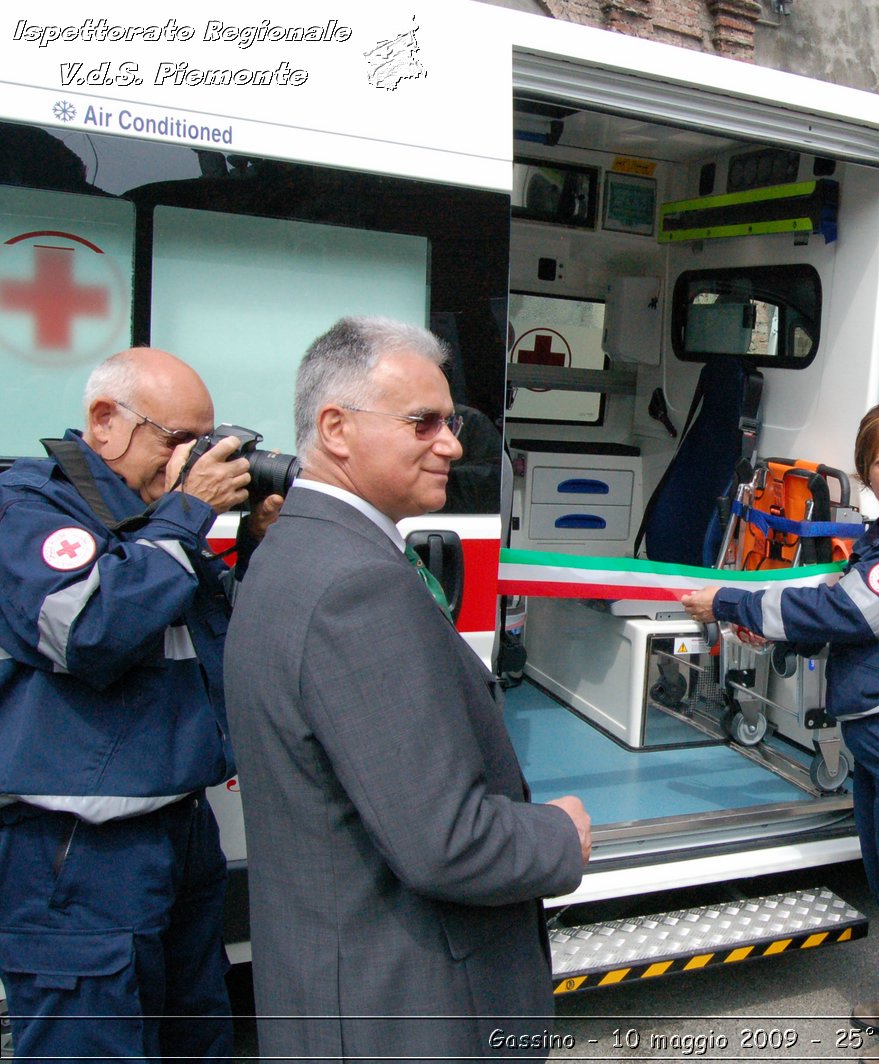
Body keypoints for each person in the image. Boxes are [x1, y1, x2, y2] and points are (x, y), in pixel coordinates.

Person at [224, 317, 590, 1061]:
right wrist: (561, 834)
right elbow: (446, 843)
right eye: (423, 423)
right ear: (336, 429)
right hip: (408, 1010)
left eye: (451, 422)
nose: (453, 444)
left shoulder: (292, 548)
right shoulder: (356, 585)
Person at [0, 347, 281, 1062]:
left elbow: (212, 643)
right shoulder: (28, 505)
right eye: (178, 438)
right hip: (76, 854)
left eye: (207, 438)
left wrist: (252, 544)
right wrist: (188, 514)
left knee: (196, 1033)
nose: (196, 459)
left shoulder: (157, 526)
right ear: (104, 421)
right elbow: (87, 628)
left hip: (178, 831)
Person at [682, 398, 879, 1062]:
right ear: (866, 469)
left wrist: (731, 600)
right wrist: (768, 619)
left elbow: (848, 612)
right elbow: (851, 618)